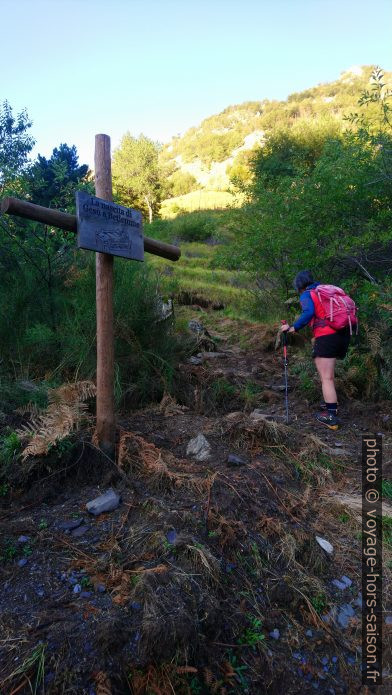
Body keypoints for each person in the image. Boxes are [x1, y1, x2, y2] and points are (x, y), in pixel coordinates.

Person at [281, 270, 351, 430]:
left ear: (299, 285)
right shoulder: (325, 291)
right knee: (329, 376)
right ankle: (332, 403)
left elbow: (309, 312)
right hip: (343, 335)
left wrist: (293, 327)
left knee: (326, 378)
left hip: (327, 336)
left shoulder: (307, 294)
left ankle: (331, 416)